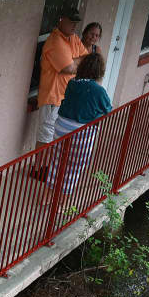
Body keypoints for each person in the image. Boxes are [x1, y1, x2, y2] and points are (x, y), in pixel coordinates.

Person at [55, 52, 113, 194]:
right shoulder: (99, 90)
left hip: (61, 125)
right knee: (74, 166)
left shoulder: (72, 83)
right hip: (81, 132)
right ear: (99, 71)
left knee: (57, 161)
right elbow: (108, 110)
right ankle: (61, 203)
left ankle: (46, 196)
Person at [35, 6, 90, 149]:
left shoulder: (74, 39)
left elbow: (88, 60)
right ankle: (39, 169)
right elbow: (68, 69)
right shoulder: (55, 41)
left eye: (76, 22)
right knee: (46, 135)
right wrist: (76, 62)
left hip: (66, 96)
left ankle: (48, 167)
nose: (74, 25)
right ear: (61, 20)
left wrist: (73, 61)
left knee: (58, 136)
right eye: (71, 21)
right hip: (52, 97)